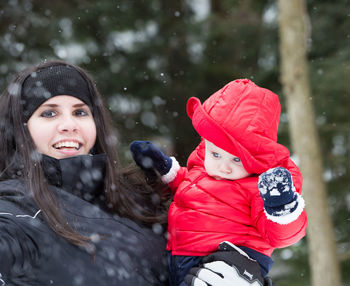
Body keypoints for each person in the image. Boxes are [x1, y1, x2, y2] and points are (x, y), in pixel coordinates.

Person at [0, 60, 173, 285]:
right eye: (49, 113)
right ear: (21, 129)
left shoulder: (141, 196)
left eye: (80, 112)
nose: (69, 125)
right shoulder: (14, 210)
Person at [130, 79, 308, 286]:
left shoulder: (260, 186)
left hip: (228, 265)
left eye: (237, 159)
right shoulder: (203, 169)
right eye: (215, 154)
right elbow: (188, 186)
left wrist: (282, 208)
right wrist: (164, 168)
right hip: (180, 257)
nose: (224, 167)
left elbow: (281, 235)